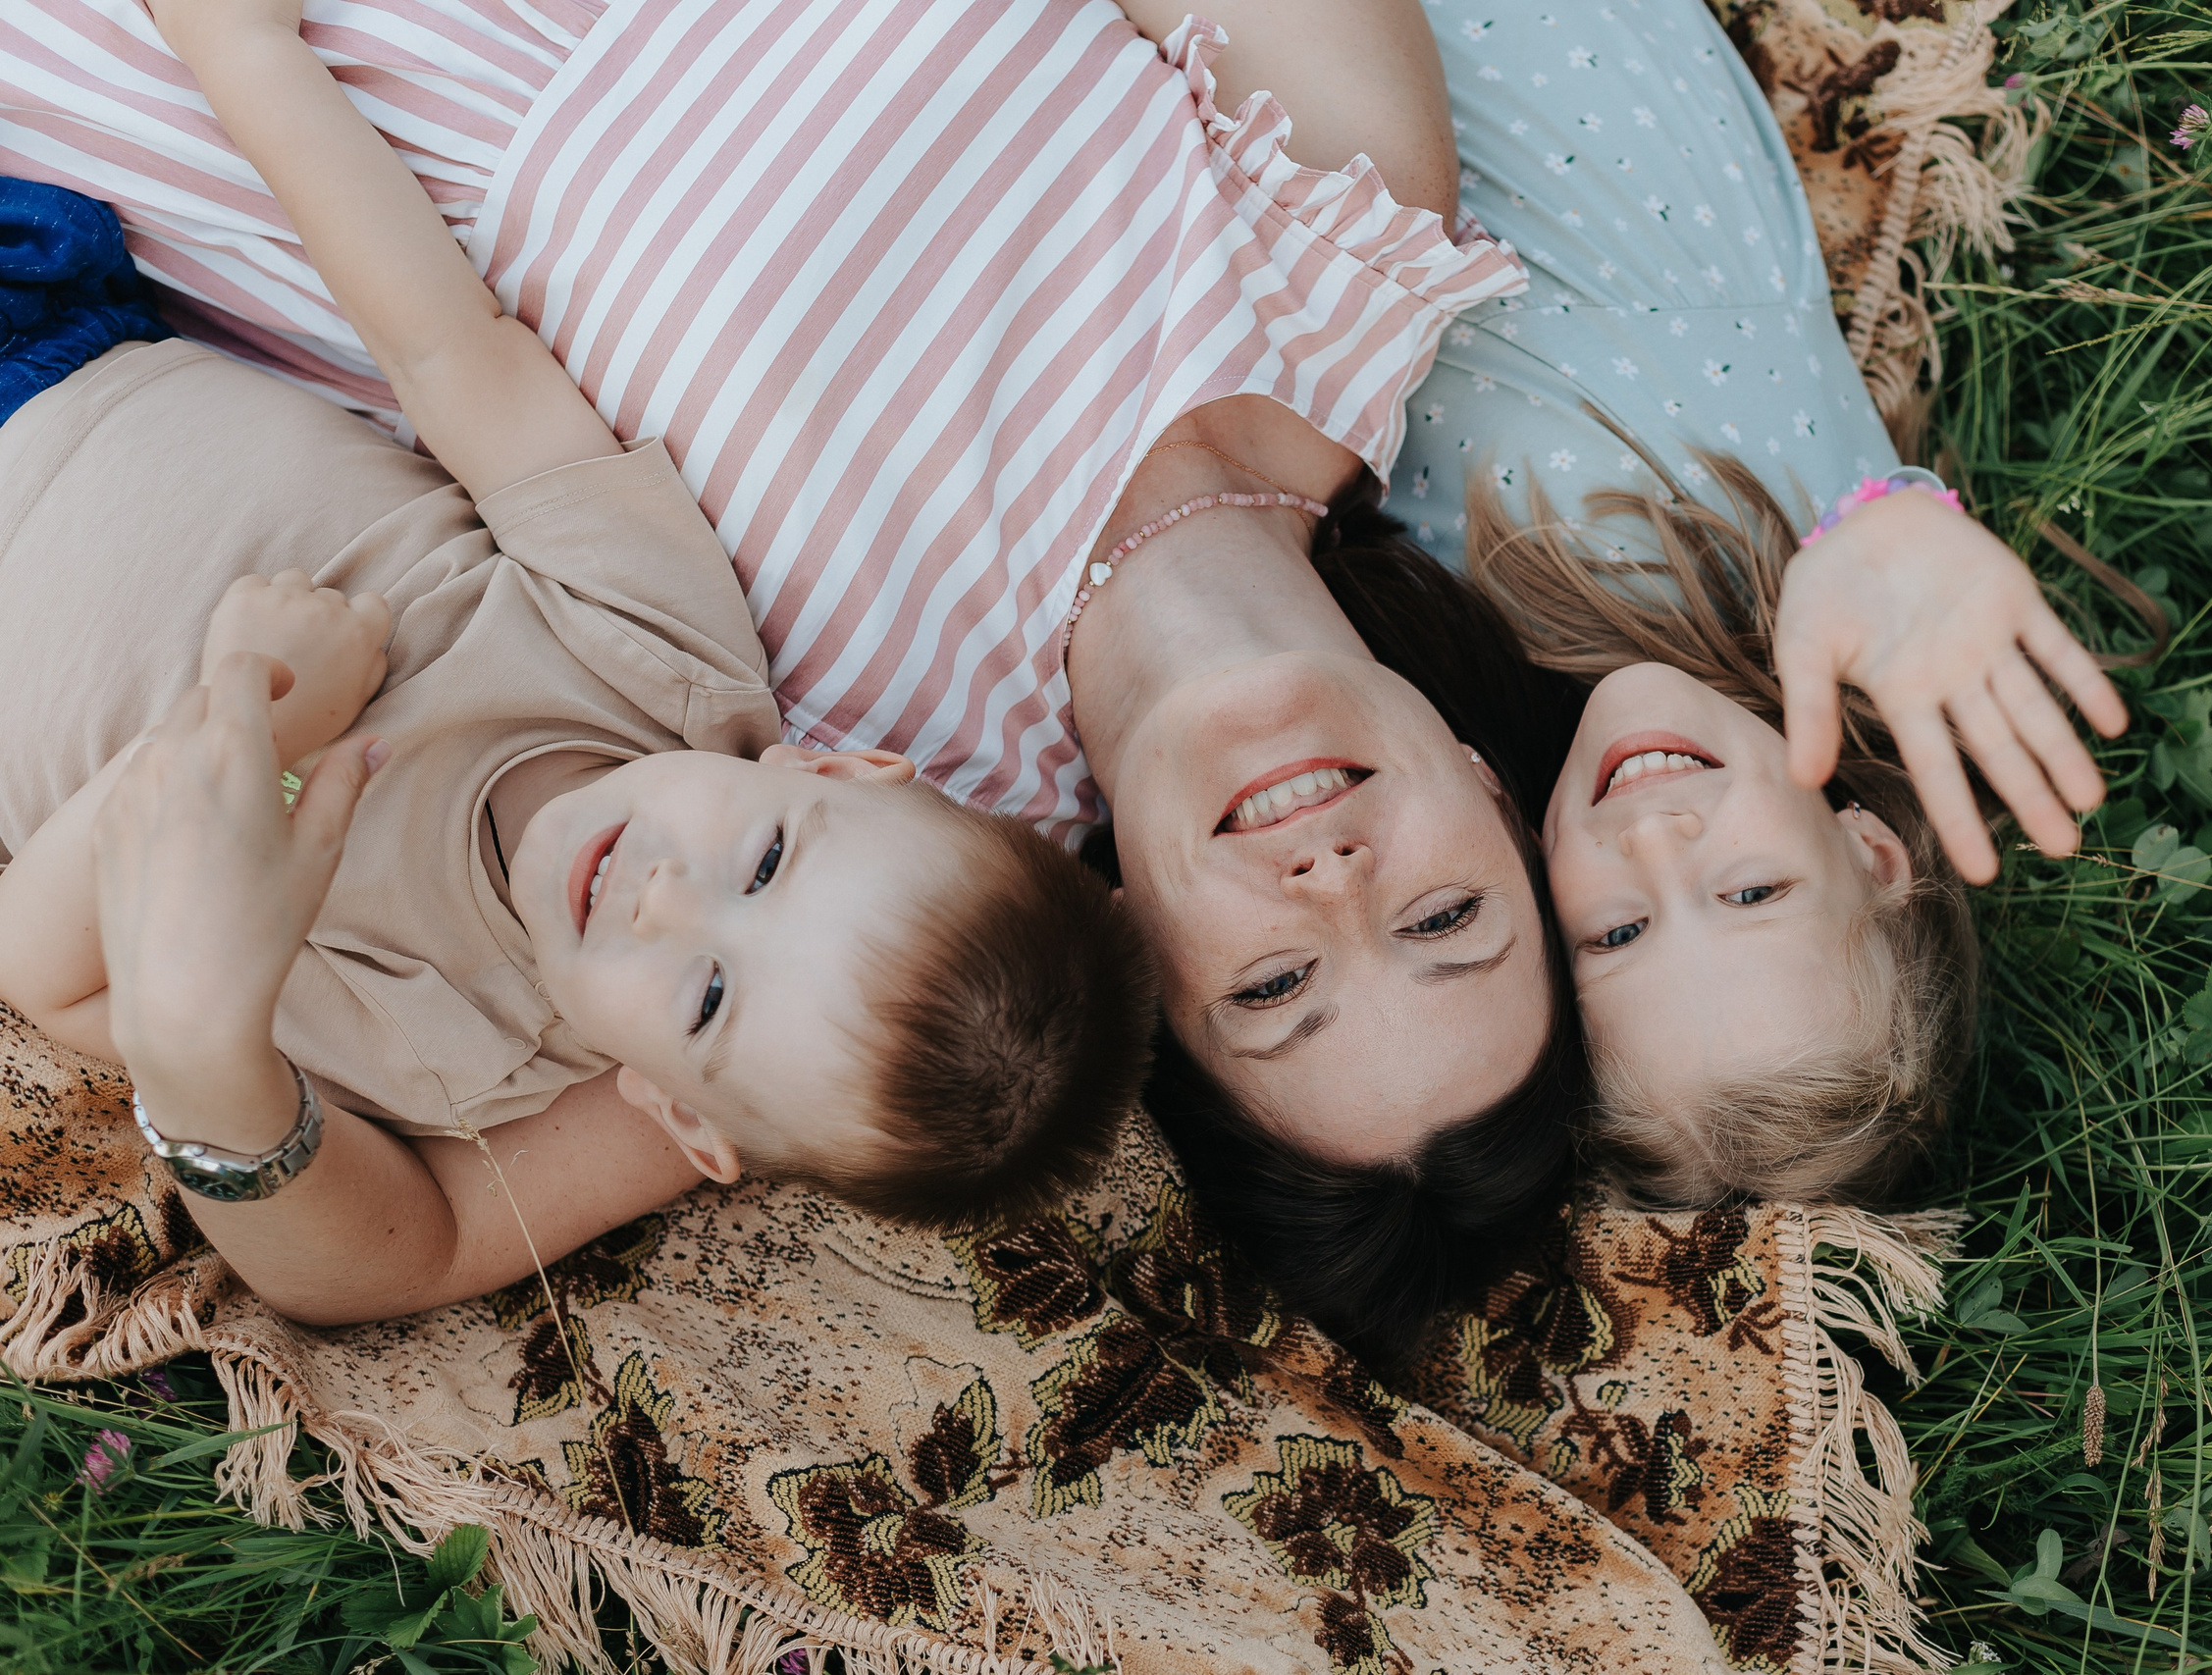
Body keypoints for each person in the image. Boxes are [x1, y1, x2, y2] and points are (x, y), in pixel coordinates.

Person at [0, 0, 1594, 1359]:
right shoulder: (1342, 260)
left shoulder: (870, 871)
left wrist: (215, 1085)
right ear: (1489, 784)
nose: (1332, 885)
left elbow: (405, 1246)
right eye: (1444, 918)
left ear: (1149, 980)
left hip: (231, 82)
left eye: (1275, 990)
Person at [1391, 3, 2127, 1202]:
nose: (1656, 845)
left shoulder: (1463, 694)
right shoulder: (1780, 573)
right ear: (1870, 849)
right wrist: (1878, 515)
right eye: (1748, 892)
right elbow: (1837, 509)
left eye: (1616, 935)